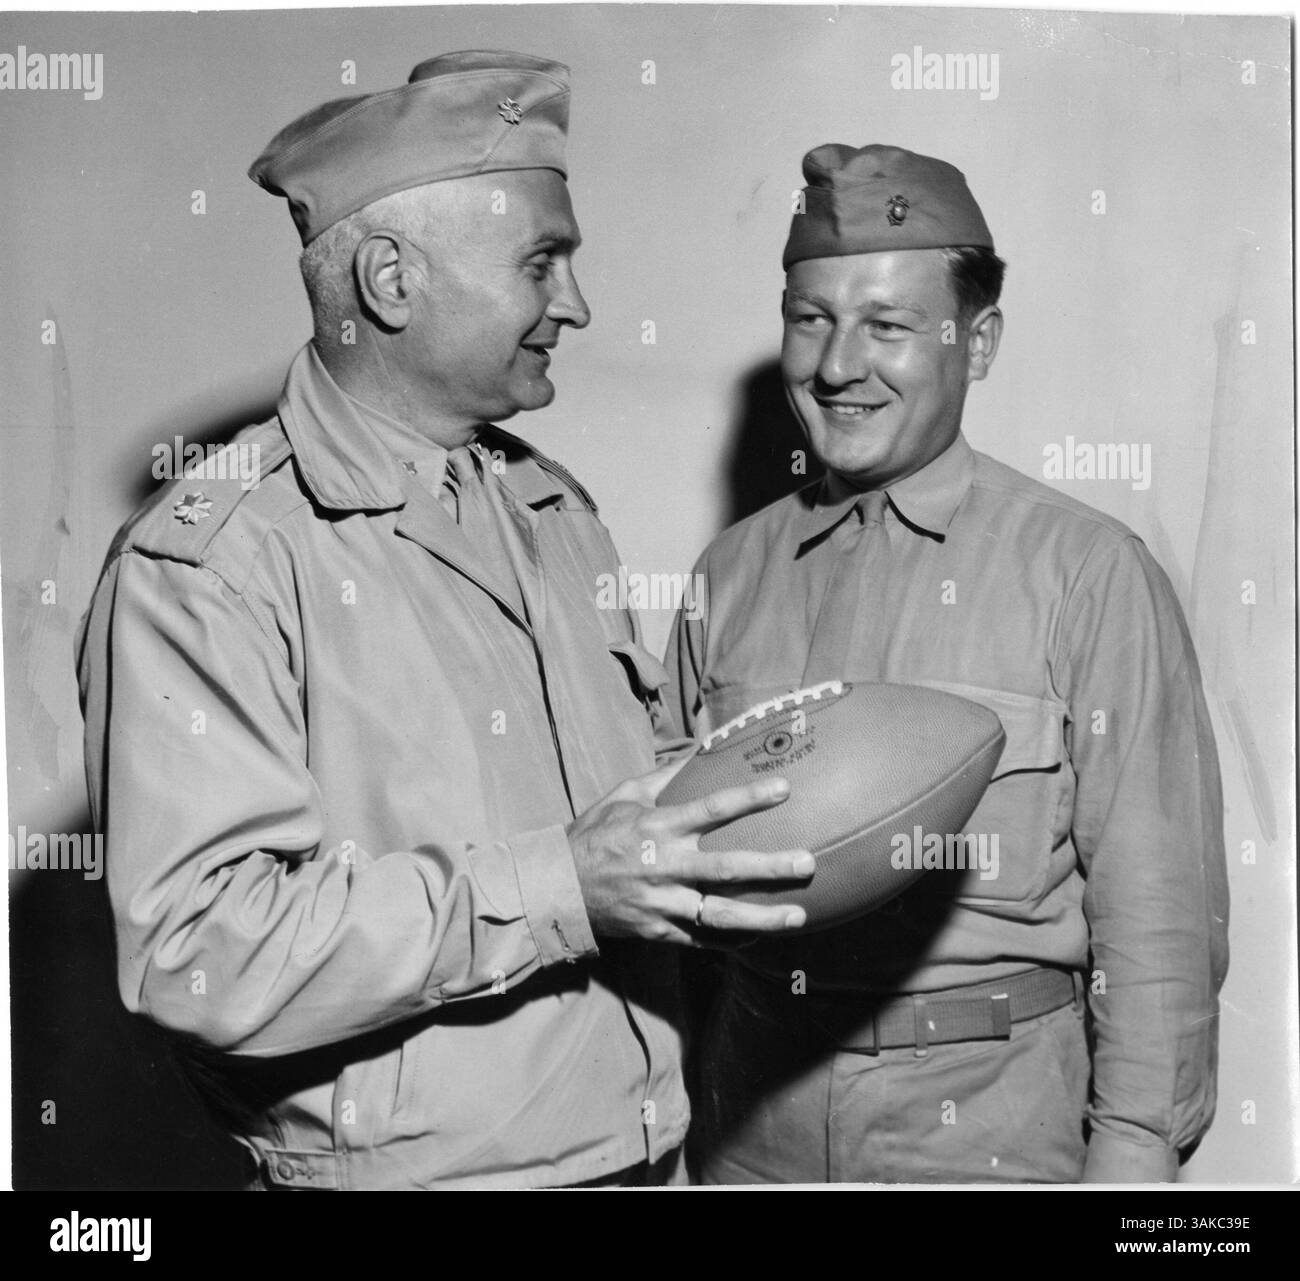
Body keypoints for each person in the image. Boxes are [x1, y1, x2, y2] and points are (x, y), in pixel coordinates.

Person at [75, 51, 812, 1191]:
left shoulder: (551, 509)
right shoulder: (213, 565)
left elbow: (611, 808)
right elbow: (200, 951)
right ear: (390, 282)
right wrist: (560, 885)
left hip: (645, 1157)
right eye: (540, 263)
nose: (576, 304)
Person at [667, 142, 1229, 1184]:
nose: (837, 366)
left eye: (886, 325)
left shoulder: (1086, 571)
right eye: (809, 320)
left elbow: (1158, 910)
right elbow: (665, 885)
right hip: (752, 1126)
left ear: (976, 343)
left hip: (988, 1131)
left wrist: (1136, 1157)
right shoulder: (728, 573)